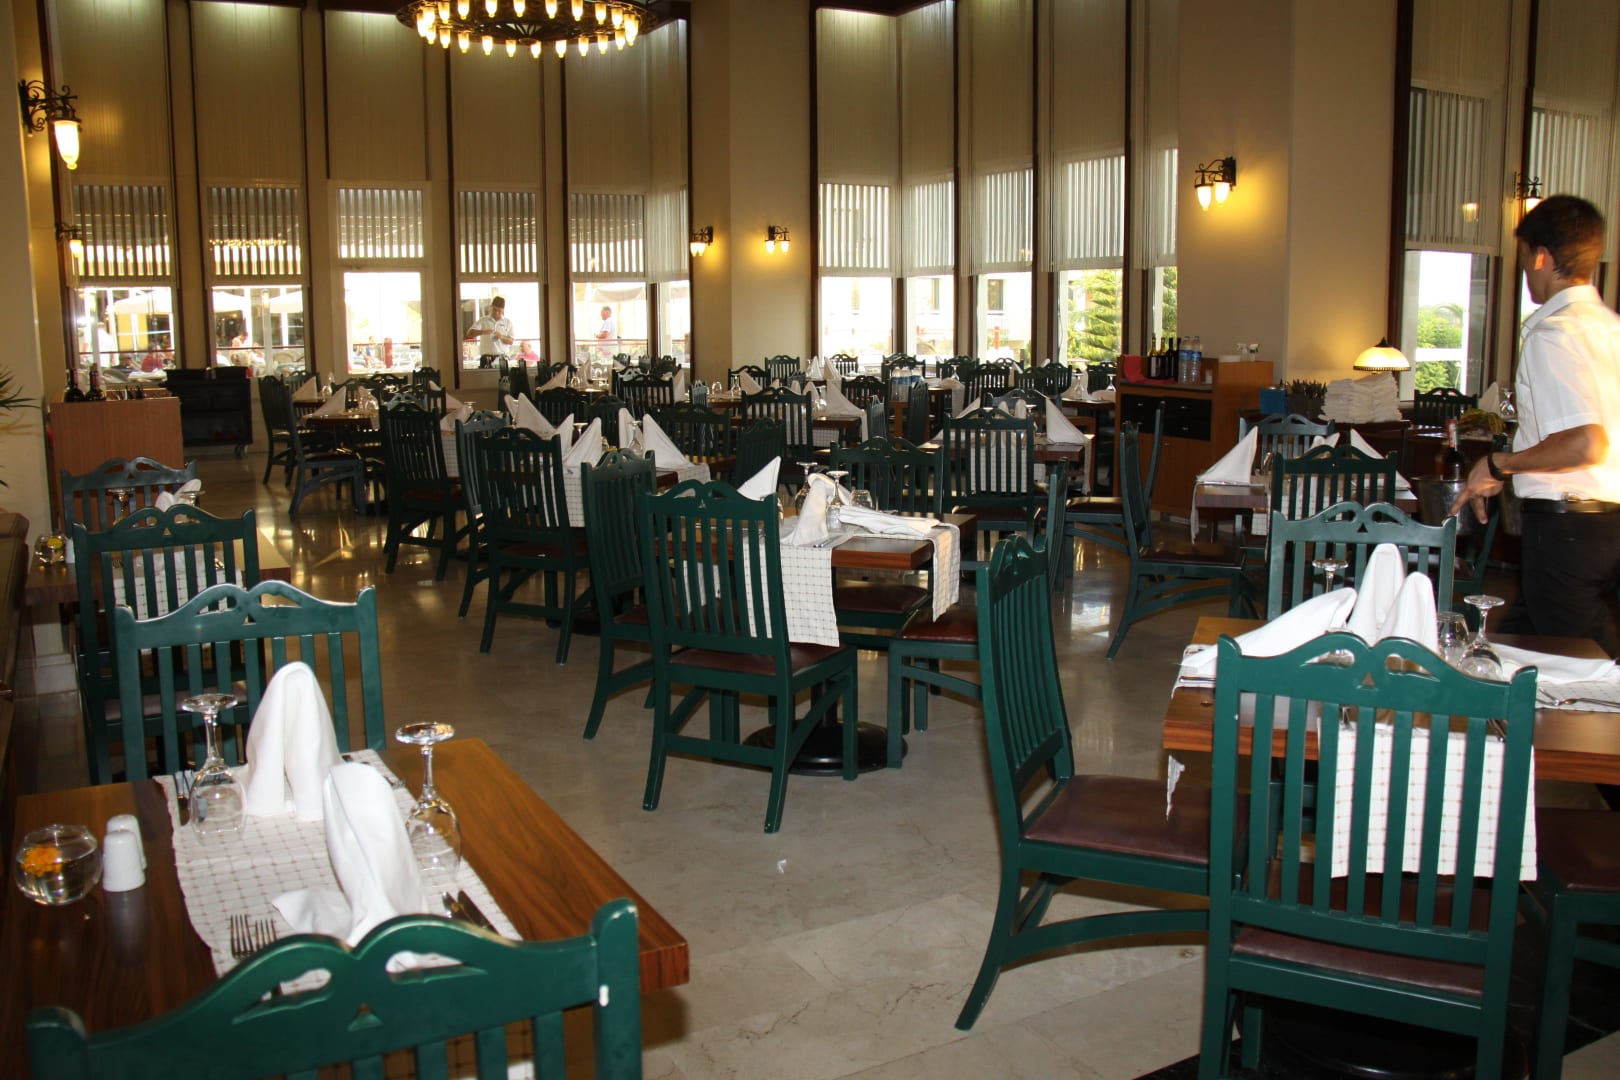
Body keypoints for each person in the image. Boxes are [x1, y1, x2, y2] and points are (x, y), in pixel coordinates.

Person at [1450, 194, 1620, 656]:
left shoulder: (1554, 333)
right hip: (1606, 524)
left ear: (1541, 256)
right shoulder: (1610, 329)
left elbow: (1586, 443)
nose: (1524, 270)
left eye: (1523, 258)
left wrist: (1499, 464)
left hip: (1569, 531)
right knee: (1514, 648)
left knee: (1586, 669)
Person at [464, 296, 513, 368]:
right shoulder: (483, 320)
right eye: (494, 310)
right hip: (486, 358)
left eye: (499, 311)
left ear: (503, 310)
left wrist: (501, 337)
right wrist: (483, 332)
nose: (496, 313)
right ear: (491, 307)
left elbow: (511, 341)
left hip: (502, 358)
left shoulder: (507, 322)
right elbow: (469, 333)